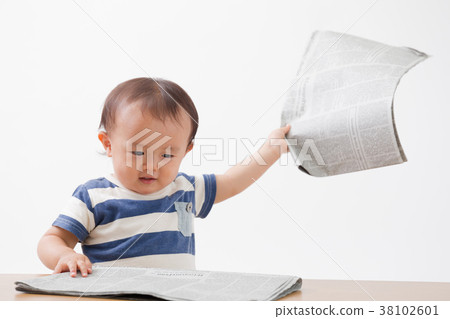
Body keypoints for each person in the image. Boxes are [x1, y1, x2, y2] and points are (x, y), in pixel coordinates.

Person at [37, 77, 291, 277]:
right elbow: (52, 239)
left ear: (186, 151)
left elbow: (234, 181)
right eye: (137, 152)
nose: (151, 166)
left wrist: (271, 150)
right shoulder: (93, 197)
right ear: (108, 144)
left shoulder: (185, 189)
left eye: (167, 155)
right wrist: (64, 256)